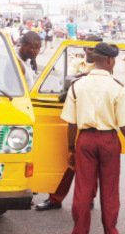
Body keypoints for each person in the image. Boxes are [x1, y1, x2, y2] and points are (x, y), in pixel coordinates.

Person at [60, 42, 125, 234]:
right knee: (110, 190)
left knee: (83, 190)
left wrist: (71, 148)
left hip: (85, 140)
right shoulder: (117, 88)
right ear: (108, 61)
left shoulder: (78, 86)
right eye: (114, 60)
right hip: (108, 142)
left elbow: (71, 123)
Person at [35, 36, 103, 212]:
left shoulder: (102, 68)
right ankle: (55, 198)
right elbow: (67, 81)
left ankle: (89, 199)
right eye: (88, 48)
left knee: (91, 167)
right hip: (74, 116)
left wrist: (82, 78)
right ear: (84, 50)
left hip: (92, 121)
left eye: (94, 49)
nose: (91, 52)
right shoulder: (76, 63)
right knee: (66, 163)